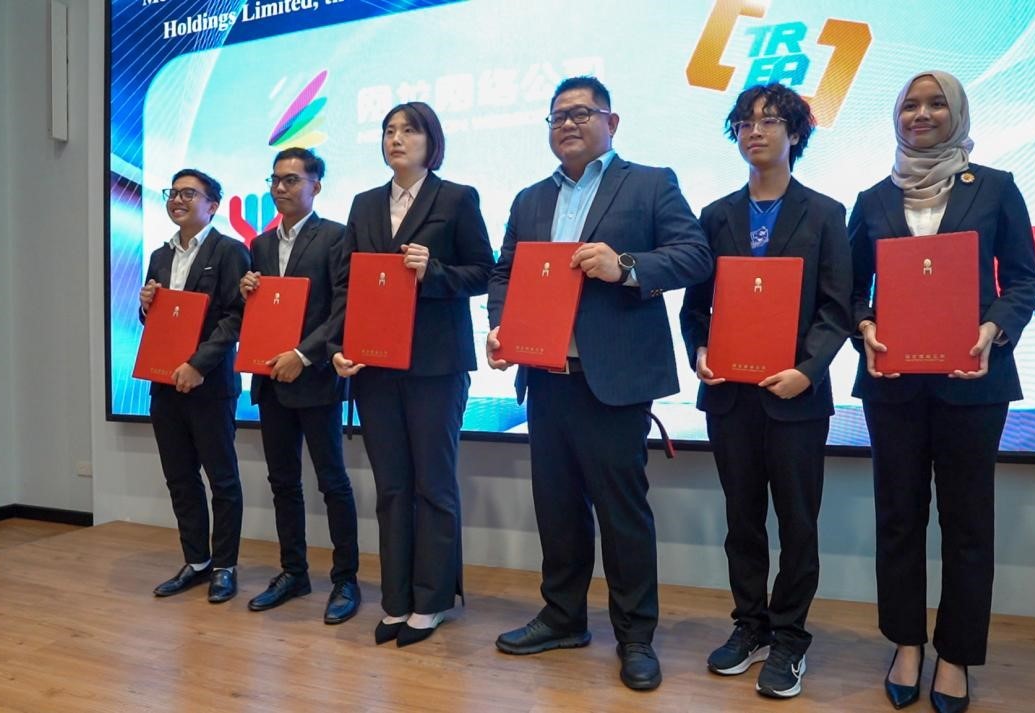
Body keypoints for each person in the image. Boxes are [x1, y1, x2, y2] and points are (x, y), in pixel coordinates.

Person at [486, 76, 712, 691]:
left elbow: (695, 255)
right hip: (546, 377)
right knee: (557, 508)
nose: (567, 123)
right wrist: (501, 326)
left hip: (612, 379)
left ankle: (635, 636)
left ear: (612, 122)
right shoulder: (531, 199)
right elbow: (505, 272)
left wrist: (625, 266)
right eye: (557, 116)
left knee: (621, 513)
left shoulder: (650, 183)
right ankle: (562, 618)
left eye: (582, 113)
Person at [849, 71, 1035, 712]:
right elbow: (849, 291)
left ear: (956, 113)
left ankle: (955, 653)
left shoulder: (995, 187)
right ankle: (907, 643)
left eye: (936, 104)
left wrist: (994, 328)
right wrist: (865, 326)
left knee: (967, 524)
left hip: (974, 384)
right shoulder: (873, 199)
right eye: (910, 104)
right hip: (893, 385)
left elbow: (1024, 280)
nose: (922, 114)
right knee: (898, 517)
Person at [680, 83, 852, 699]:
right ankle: (749, 625)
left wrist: (808, 369)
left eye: (770, 120)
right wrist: (700, 352)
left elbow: (837, 308)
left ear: (795, 133)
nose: (755, 131)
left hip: (796, 397)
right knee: (742, 520)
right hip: (731, 397)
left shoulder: (826, 213)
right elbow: (696, 307)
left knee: (798, 522)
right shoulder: (715, 215)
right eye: (745, 122)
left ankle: (790, 638)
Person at [331, 101, 493, 647]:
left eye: (408, 130)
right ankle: (396, 599)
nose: (396, 138)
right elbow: (348, 285)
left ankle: (433, 600)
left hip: (435, 364)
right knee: (391, 485)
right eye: (388, 130)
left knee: (433, 483)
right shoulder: (364, 203)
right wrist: (340, 347)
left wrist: (435, 271)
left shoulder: (457, 198)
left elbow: (484, 272)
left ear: (431, 141)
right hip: (375, 364)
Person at [238, 148, 361, 624]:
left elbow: (343, 308)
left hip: (316, 380)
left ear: (316, 186)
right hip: (271, 380)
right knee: (283, 482)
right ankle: (293, 572)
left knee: (332, 482)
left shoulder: (335, 236)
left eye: (291, 180)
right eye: (275, 180)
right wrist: (246, 293)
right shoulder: (260, 244)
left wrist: (304, 355)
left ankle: (345, 579)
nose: (280, 188)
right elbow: (261, 313)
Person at [140, 168, 250, 604]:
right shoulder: (159, 255)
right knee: (180, 478)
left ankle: (224, 566)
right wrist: (145, 307)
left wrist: (198, 364)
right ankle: (197, 561)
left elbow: (236, 317)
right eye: (173, 193)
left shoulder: (230, 251)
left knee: (222, 479)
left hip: (210, 384)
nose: (177, 200)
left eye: (189, 193)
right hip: (165, 384)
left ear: (213, 205)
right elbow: (158, 321)